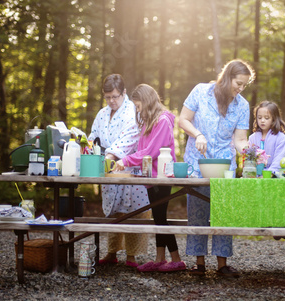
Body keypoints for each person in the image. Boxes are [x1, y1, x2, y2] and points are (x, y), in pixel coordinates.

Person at [178, 59, 255, 277]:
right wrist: (198, 134)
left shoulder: (242, 105)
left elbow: (240, 139)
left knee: (223, 211)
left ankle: (222, 264)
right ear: (227, 77)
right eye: (238, 83)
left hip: (224, 163)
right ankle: (199, 263)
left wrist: (249, 153)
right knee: (197, 210)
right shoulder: (201, 92)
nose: (240, 89)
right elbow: (183, 120)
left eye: (244, 85)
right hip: (197, 159)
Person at [114, 84, 186, 272]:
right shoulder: (149, 121)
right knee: (157, 217)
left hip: (162, 176)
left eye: (138, 106)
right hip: (151, 177)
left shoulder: (162, 121)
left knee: (161, 217)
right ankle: (160, 258)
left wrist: (127, 160)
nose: (138, 111)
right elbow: (141, 150)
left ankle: (177, 259)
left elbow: (152, 151)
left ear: (146, 102)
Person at [88, 74, 151, 268]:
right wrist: (90, 149)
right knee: (114, 211)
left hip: (128, 165)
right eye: (107, 97)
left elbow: (128, 140)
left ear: (124, 93)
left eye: (115, 96)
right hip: (108, 168)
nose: (111, 101)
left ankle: (131, 256)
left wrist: (109, 157)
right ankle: (112, 252)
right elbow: (93, 136)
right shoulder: (102, 113)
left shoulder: (133, 111)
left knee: (133, 210)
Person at [248, 101, 285, 173]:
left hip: (273, 177)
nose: (262, 121)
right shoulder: (252, 138)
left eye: (267, 118)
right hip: (254, 177)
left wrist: (269, 174)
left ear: (274, 119)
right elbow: (249, 159)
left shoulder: (281, 138)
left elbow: (279, 159)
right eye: (259, 118)